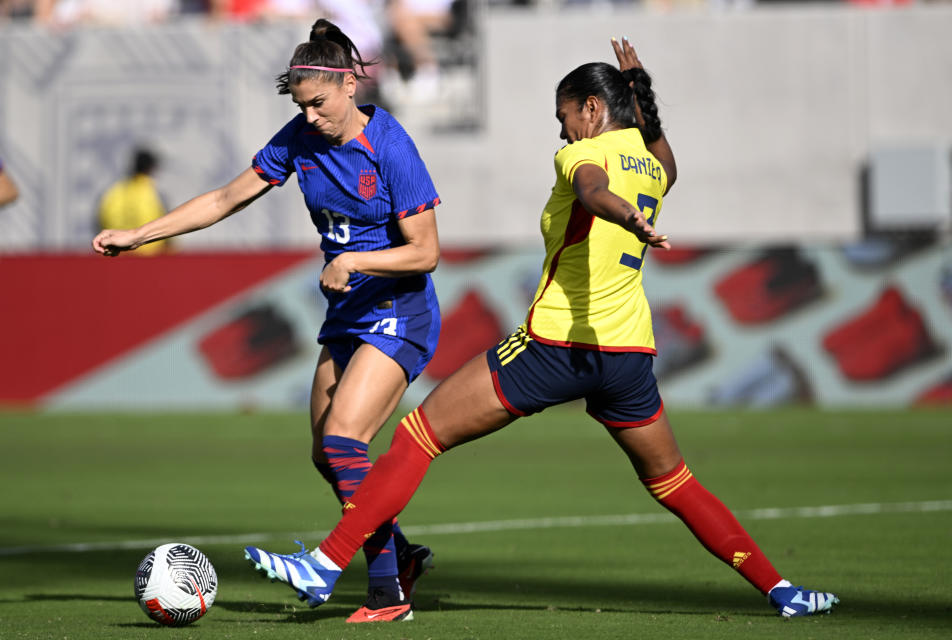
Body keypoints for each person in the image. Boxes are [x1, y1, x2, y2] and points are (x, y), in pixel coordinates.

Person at [244, 37, 840, 620]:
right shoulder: (652, 165)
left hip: (555, 344)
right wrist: (642, 101)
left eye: (564, 116)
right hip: (628, 353)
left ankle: (327, 562)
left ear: (592, 109)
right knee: (674, 481)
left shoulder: (582, 154)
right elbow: (665, 162)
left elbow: (592, 190)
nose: (560, 130)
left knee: (418, 436)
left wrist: (622, 213)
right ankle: (781, 589)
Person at [93, 18, 442, 623]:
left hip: (399, 311)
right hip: (347, 315)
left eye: (318, 103)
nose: (309, 116)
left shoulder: (391, 146)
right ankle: (401, 554)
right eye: (300, 104)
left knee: (344, 441)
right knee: (325, 456)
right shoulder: (300, 138)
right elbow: (226, 198)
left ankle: (388, 594)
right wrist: (139, 234)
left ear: (349, 87)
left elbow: (425, 251)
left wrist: (356, 259)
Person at [97, 148, 171, 256]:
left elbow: (100, 221)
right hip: (150, 256)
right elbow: (169, 224)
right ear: (151, 168)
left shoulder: (114, 191)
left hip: (118, 255)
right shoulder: (154, 191)